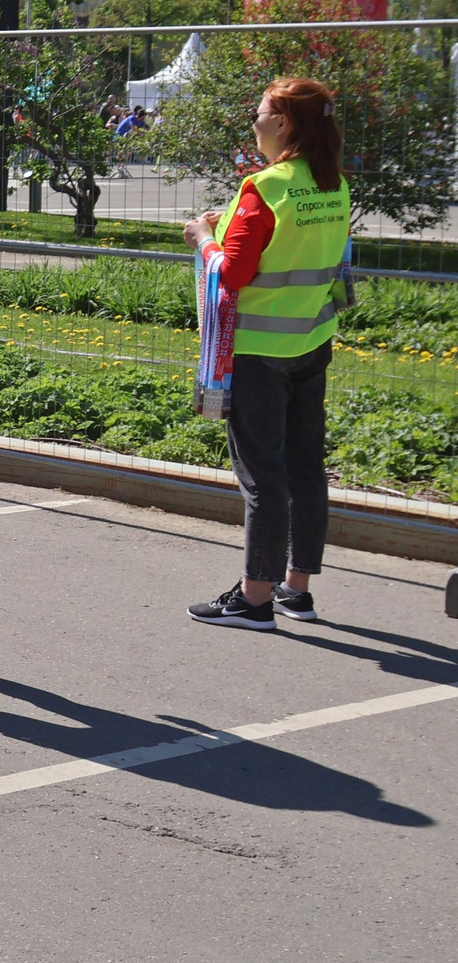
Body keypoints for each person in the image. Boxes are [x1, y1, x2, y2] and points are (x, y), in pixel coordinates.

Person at [183, 78, 352, 629]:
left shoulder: (265, 187)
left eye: (259, 113)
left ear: (282, 123)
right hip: (311, 341)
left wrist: (202, 237)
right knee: (305, 465)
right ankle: (294, 590)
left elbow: (232, 273)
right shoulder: (334, 184)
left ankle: (254, 599)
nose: (254, 122)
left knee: (262, 476)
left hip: (258, 351)